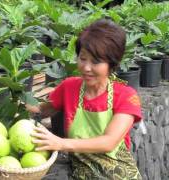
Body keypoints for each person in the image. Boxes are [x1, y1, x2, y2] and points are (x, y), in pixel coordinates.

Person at [27, 19, 142, 179]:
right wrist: (14, 101)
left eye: (95, 61)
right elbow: (40, 110)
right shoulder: (69, 87)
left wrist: (61, 143)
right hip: (82, 173)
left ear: (112, 63)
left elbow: (109, 142)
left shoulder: (126, 96)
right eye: (82, 58)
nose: (86, 67)